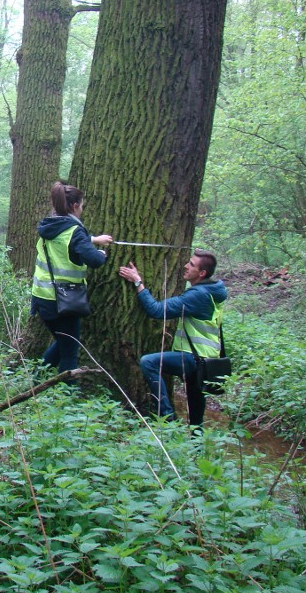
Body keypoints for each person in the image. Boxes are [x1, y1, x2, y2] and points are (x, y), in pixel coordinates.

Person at [118, 249, 227, 431]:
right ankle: (196, 450)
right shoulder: (213, 292)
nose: (185, 266)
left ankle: (167, 418)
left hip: (194, 359)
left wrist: (138, 282)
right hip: (207, 362)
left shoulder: (197, 296)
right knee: (196, 414)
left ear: (202, 273)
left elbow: (157, 310)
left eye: (191, 265)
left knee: (149, 362)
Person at [30, 181, 113, 373]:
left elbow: (64, 242)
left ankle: (35, 381)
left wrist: (93, 239)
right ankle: (68, 396)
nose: (82, 209)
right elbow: (93, 260)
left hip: (42, 298)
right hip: (62, 301)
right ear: (75, 206)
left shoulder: (49, 226)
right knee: (69, 353)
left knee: (63, 343)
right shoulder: (75, 232)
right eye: (82, 205)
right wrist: (100, 254)